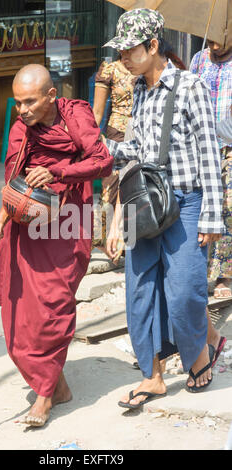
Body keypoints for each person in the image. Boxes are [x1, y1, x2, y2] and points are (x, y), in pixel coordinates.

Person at [104, 8, 223, 407]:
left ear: (153, 46)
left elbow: (208, 154)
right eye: (119, 49)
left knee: (186, 289)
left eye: (129, 49)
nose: (122, 56)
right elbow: (138, 153)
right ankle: (151, 375)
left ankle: (199, 353)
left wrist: (212, 216)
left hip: (187, 203)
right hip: (146, 201)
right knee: (139, 290)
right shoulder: (139, 91)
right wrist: (102, 147)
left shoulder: (190, 87)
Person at [0, 64, 113, 427]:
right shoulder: (21, 130)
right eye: (18, 102)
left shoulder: (76, 117)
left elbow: (103, 161)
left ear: (51, 96)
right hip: (28, 225)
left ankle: (43, 397)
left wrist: (58, 172)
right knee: (18, 319)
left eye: (29, 102)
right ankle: (55, 385)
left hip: (68, 223)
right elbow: (13, 183)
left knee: (52, 309)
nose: (22, 110)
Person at [190, 41, 232, 301]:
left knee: (227, 207)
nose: (214, 43)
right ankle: (200, 269)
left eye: (221, 37)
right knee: (200, 206)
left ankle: (224, 274)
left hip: (229, 145)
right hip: (201, 145)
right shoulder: (199, 59)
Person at [91, 58, 136, 249]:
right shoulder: (110, 69)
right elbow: (98, 111)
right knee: (111, 187)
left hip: (141, 132)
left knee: (135, 185)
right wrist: (91, 140)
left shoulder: (148, 69)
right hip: (116, 133)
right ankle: (106, 239)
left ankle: (130, 239)